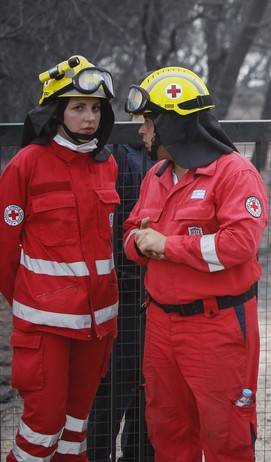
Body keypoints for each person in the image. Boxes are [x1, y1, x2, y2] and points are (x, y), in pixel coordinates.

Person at [122, 66, 267, 461]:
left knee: (226, 435)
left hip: (216, 328)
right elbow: (132, 234)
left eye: (149, 122)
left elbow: (239, 244)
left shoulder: (235, 173)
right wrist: (141, 244)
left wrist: (166, 246)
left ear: (173, 124)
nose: (142, 131)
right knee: (167, 431)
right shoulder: (156, 174)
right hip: (161, 326)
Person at [0, 55, 119, 460]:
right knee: (42, 425)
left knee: (75, 428)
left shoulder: (107, 164)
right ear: (57, 111)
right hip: (44, 324)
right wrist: (29, 304)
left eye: (96, 109)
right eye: (78, 107)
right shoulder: (26, 165)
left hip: (98, 323)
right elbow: (3, 252)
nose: (89, 118)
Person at [87, 141, 155, 462]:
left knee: (135, 389)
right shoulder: (117, 155)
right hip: (129, 290)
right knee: (119, 388)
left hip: (138, 290)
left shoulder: (158, 157)